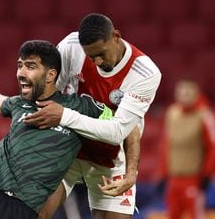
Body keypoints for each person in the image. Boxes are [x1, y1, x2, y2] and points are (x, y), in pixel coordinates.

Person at [0, 40, 114, 219]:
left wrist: (127, 172)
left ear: (50, 75)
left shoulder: (80, 107)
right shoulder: (20, 104)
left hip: (21, 208)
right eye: (20, 65)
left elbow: (121, 123)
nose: (21, 72)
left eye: (30, 66)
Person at [25, 13, 162, 218]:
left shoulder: (144, 72)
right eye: (90, 56)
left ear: (116, 36)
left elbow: (119, 132)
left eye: (101, 54)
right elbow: (46, 94)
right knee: (32, 211)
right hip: (67, 147)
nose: (97, 61)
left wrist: (131, 172)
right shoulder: (71, 46)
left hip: (110, 157)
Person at [157, 77, 215, 219]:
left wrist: (208, 174)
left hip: (194, 178)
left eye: (188, 92)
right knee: (173, 215)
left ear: (196, 93)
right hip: (174, 179)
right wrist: (163, 174)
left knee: (197, 215)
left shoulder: (205, 116)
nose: (184, 95)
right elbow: (166, 145)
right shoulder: (172, 113)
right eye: (181, 91)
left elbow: (212, 147)